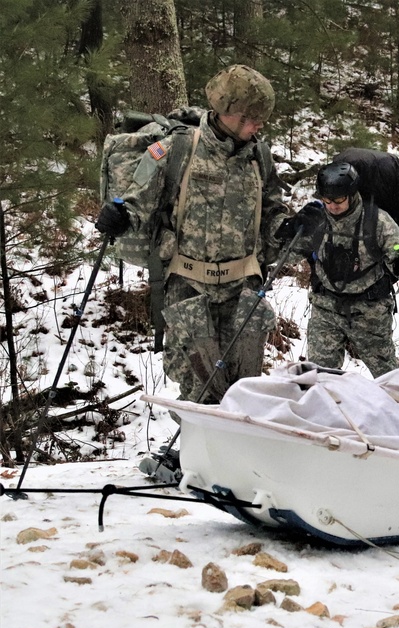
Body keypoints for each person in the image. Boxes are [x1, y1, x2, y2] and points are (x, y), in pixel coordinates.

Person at [95, 64, 288, 404]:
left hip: (242, 292)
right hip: (188, 291)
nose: (259, 125)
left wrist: (289, 228)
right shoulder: (176, 149)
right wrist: (119, 217)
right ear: (228, 111)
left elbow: (272, 214)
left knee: (244, 393)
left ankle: (233, 456)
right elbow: (139, 204)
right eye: (252, 117)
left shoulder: (259, 157)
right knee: (199, 393)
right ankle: (194, 456)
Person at [277, 162, 399, 377]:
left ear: (352, 194)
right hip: (326, 307)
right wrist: (287, 231)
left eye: (338, 200)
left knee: (389, 377)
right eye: (327, 200)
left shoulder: (377, 221)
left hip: (369, 311)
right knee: (319, 377)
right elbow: (285, 258)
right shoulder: (316, 219)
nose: (333, 206)